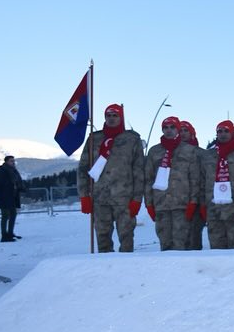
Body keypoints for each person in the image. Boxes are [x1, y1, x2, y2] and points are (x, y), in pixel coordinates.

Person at [78, 104, 145, 253]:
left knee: (126, 240)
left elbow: (139, 171)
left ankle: (125, 272)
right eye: (108, 115)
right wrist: (84, 196)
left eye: (115, 115)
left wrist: (137, 199)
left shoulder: (132, 139)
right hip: (100, 199)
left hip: (124, 199)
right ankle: (105, 272)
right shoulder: (94, 139)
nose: (111, 119)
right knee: (103, 241)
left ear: (121, 118)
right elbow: (83, 169)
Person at [144, 116, 200, 251]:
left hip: (181, 205)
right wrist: (149, 204)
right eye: (165, 128)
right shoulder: (154, 151)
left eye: (172, 127)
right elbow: (148, 179)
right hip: (161, 205)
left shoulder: (189, 150)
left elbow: (194, 178)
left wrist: (193, 202)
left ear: (178, 129)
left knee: (181, 244)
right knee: (165, 244)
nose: (169, 130)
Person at [201, 120, 234, 249]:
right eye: (220, 131)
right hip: (214, 210)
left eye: (226, 131)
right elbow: (201, 181)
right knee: (216, 248)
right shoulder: (208, 155)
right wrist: (202, 205)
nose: (223, 134)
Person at [179, 121, 206, 249]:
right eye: (180, 131)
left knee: (194, 236)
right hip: (179, 200)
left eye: (186, 131)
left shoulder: (201, 153)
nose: (183, 134)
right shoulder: (172, 153)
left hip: (198, 201)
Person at [0, 155, 22, 242]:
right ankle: (4, 236)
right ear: (6, 162)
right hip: (4, 197)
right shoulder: (1, 170)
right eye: (11, 161)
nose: (13, 162)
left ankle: (10, 233)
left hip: (12, 197)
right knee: (5, 216)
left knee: (13, 214)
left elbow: (17, 181)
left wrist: (20, 188)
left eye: (13, 161)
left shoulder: (13, 170)